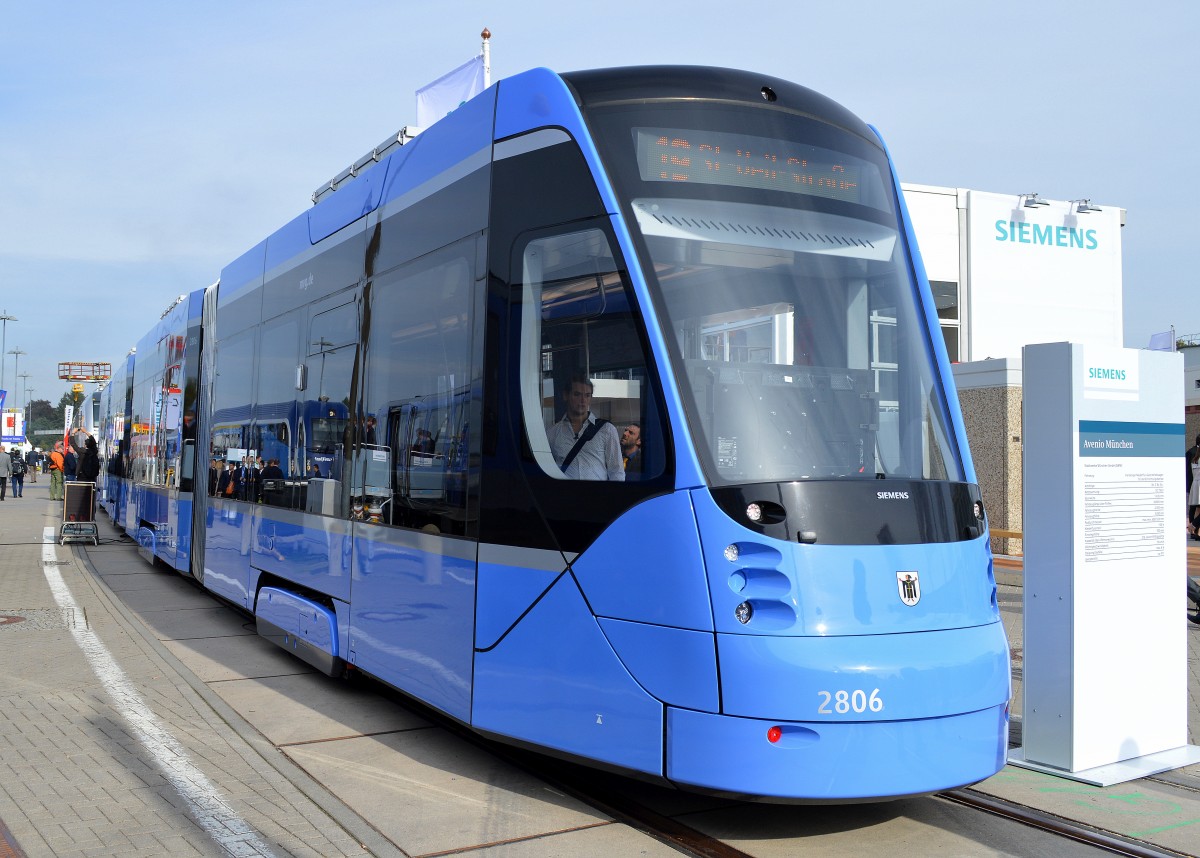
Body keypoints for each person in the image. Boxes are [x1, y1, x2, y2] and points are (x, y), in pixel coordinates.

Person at [547, 371, 624, 481]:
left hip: (597, 496)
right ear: (566, 395)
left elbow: (617, 471)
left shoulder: (607, 430)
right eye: (577, 394)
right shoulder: (552, 432)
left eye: (587, 395)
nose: (583, 401)